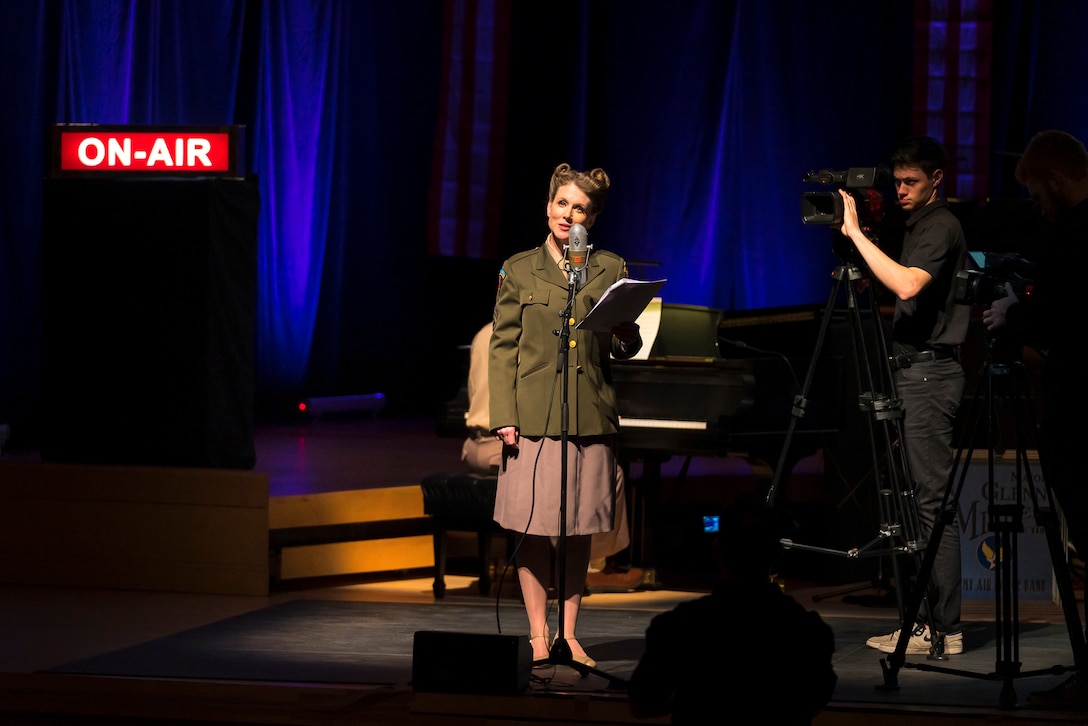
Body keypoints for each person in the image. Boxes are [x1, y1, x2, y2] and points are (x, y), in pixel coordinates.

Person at [489, 162, 643, 669]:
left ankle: (570, 634)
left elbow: (625, 346)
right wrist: (504, 415)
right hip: (533, 416)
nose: (568, 214)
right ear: (548, 206)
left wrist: (624, 333)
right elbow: (503, 346)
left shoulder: (610, 268)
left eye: (579, 207)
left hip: (589, 414)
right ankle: (537, 633)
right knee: (531, 527)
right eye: (562, 203)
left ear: (591, 218)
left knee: (577, 529)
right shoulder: (519, 269)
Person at [837, 135, 970, 655]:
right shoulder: (918, 226)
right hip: (914, 374)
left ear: (937, 179)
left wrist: (855, 233)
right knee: (918, 505)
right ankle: (928, 621)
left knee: (933, 506)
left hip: (930, 378)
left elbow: (910, 286)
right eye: (897, 181)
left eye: (911, 181)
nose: (901, 190)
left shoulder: (941, 225)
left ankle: (946, 627)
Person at [983, 129, 1088, 709]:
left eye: (1038, 194)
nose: (1039, 207)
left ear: (1053, 179)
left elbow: (1055, 317)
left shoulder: (1072, 233)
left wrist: (1011, 314)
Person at [462, 320, 645, 592]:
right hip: (504, 444)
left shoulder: (482, 333)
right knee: (602, 474)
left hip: (473, 445)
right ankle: (593, 567)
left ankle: (557, 566)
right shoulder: (535, 337)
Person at [627, 492, 837, 724]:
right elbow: (814, 700)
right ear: (777, 553)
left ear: (718, 548)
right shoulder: (808, 631)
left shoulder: (678, 626)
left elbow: (641, 704)